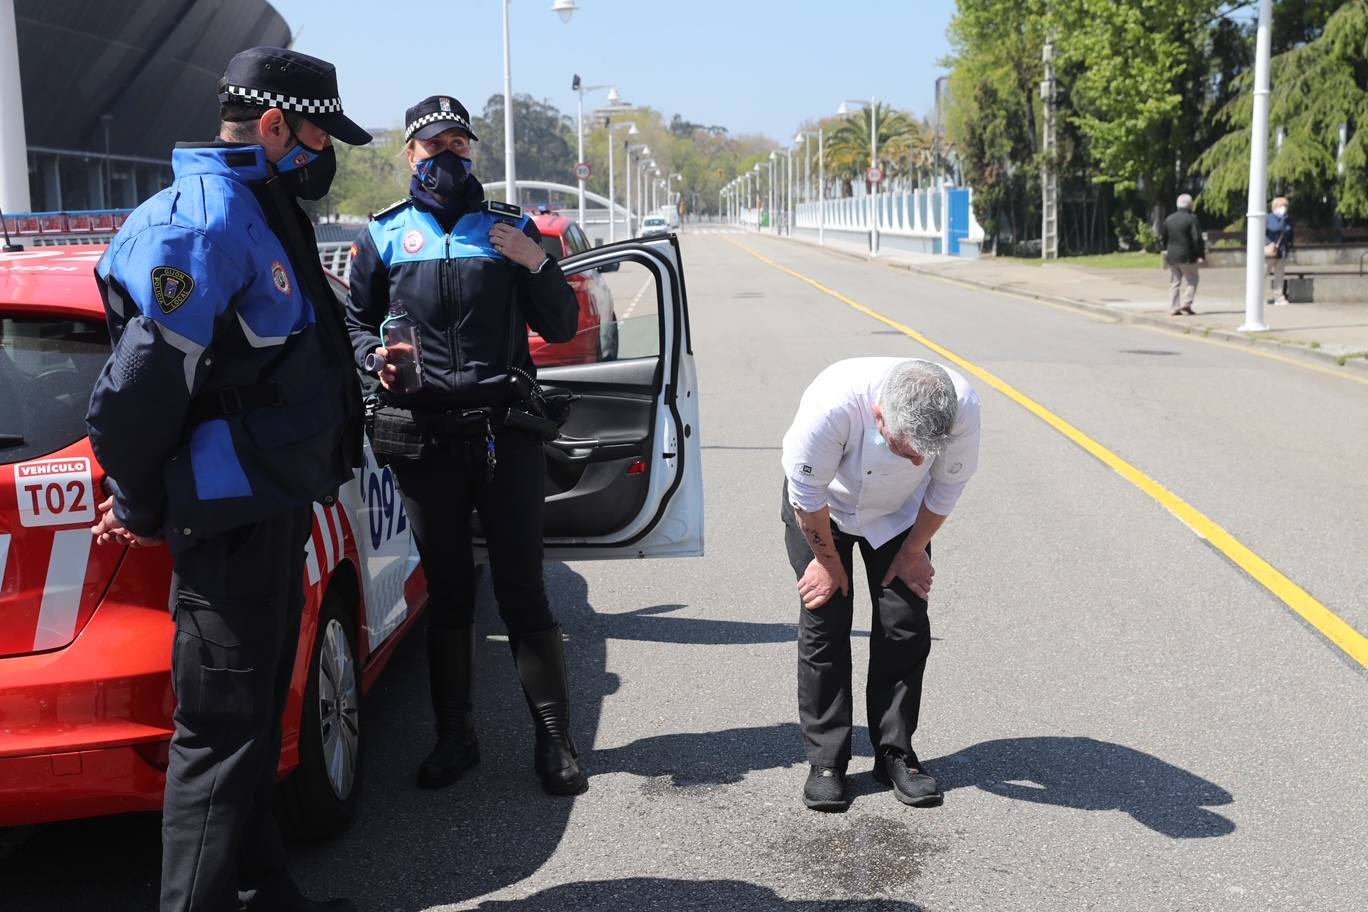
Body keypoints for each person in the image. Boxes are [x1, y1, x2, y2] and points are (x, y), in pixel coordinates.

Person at [85, 47, 370, 912]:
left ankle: (270, 892)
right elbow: (133, 397)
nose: (327, 153)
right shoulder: (201, 224)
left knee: (249, 731)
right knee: (215, 744)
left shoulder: (258, 205)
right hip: (229, 522)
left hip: (270, 508)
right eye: (318, 133)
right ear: (276, 125)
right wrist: (135, 501)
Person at [345, 95, 583, 795]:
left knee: (522, 591)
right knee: (447, 596)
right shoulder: (382, 236)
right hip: (423, 444)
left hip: (503, 436)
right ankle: (457, 738)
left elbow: (564, 323)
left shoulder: (511, 228)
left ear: (473, 150)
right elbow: (354, 325)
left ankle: (555, 741)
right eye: (433, 144)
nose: (448, 155)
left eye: (459, 142)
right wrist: (374, 362)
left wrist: (535, 260)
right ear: (410, 154)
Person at [780, 358, 980, 813]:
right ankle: (827, 761)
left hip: (899, 516)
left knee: (905, 621)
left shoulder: (962, 405)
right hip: (824, 508)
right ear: (879, 415)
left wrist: (913, 552)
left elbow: (946, 487)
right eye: (904, 447)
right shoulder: (832, 405)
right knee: (825, 619)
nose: (915, 459)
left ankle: (895, 752)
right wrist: (828, 564)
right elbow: (806, 497)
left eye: (923, 454)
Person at [1160, 193, 1205, 316]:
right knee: (1192, 279)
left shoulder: (1169, 219)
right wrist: (1200, 254)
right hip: (1188, 256)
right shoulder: (1192, 219)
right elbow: (1197, 239)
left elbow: (1163, 237)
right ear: (1190, 205)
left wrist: (1166, 248)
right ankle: (1187, 303)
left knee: (1174, 282)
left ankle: (1174, 307)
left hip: (1172, 256)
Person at [1266, 197, 1295, 306]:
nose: (1283, 208)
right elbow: (1264, 232)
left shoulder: (1288, 219)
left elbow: (1290, 233)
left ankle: (1279, 297)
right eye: (1281, 206)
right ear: (1274, 207)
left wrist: (1290, 245)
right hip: (1269, 250)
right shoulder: (1268, 218)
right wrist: (1268, 243)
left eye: (1285, 206)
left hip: (1282, 250)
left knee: (1279, 275)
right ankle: (1255, 296)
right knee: (1263, 273)